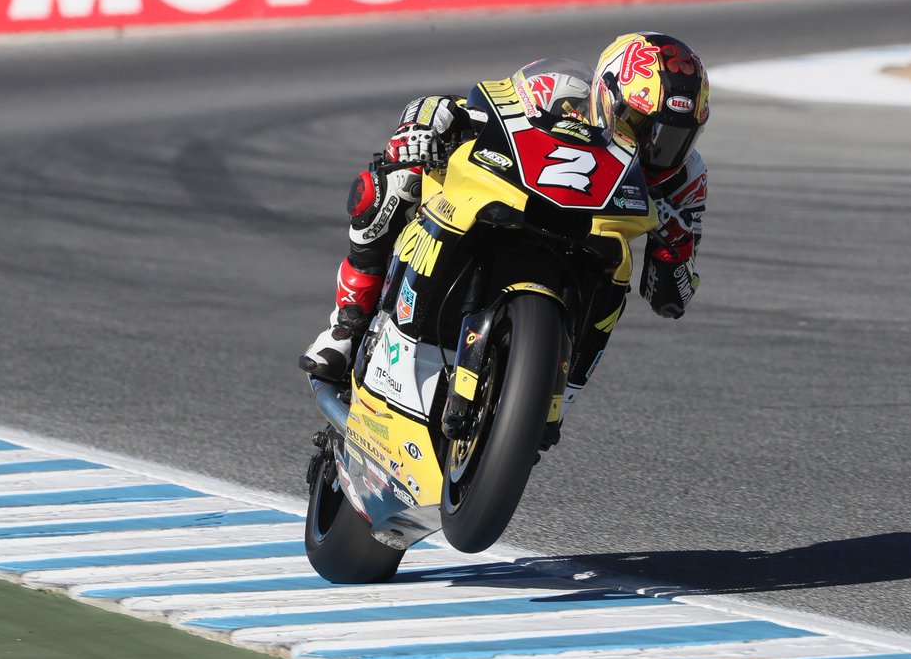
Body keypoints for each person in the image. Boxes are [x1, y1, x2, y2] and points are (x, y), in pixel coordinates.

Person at [301, 32, 709, 436]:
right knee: (389, 185)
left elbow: (670, 299)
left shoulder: (685, 177)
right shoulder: (560, 90)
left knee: (617, 275)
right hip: (507, 200)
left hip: (587, 247)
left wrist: (676, 241)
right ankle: (347, 326)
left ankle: (553, 396)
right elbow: (468, 103)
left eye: (673, 138)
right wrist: (428, 124)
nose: (653, 148)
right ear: (605, 97)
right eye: (639, 125)